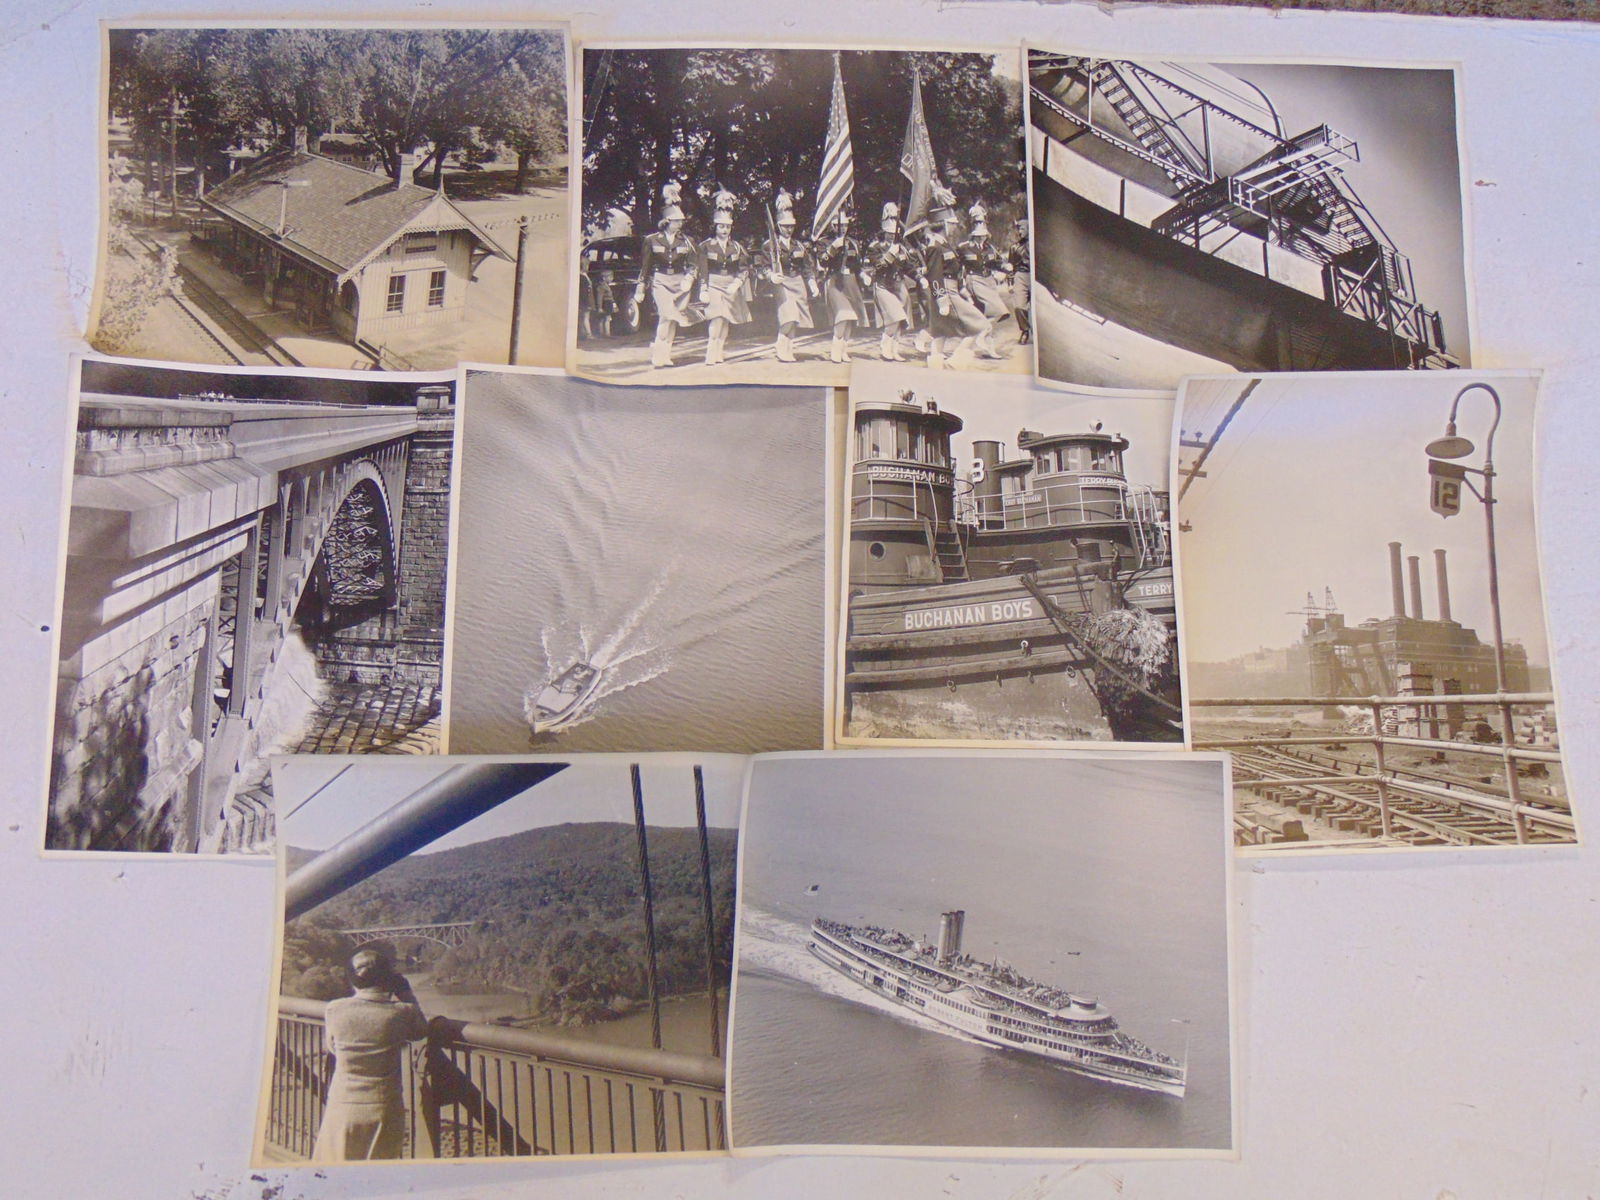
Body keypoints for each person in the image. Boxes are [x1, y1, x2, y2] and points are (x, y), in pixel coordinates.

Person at [312, 947, 429, 1163]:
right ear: (388, 979)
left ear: (352, 979)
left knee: (334, 1169)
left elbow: (333, 1047)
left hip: (342, 1104)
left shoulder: (334, 1009)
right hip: (383, 1107)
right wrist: (406, 994)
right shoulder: (402, 1012)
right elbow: (421, 1031)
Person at [633, 182, 700, 368]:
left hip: (680, 283)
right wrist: (640, 287)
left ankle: (666, 354)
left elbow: (693, 264)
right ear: (667, 221)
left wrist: (689, 278)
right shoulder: (651, 240)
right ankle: (658, 353)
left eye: (681, 221)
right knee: (665, 315)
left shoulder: (687, 240)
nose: (680, 224)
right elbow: (645, 266)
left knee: (672, 320)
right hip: (661, 282)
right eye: (676, 221)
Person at [758, 190, 816, 362]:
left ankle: (788, 348)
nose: (788, 229)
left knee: (796, 319)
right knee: (789, 316)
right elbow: (763, 267)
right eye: (785, 226)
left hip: (797, 282)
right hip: (782, 283)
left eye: (791, 226)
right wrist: (771, 276)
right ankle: (780, 345)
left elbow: (807, 267)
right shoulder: (770, 245)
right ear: (778, 226)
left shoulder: (799, 245)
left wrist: (812, 282)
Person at [696, 188, 752, 366]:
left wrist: (737, 282)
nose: (725, 230)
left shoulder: (736, 247)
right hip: (713, 283)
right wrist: (703, 289)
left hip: (730, 285)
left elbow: (743, 268)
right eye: (721, 226)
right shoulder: (706, 246)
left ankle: (719, 351)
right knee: (717, 317)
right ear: (715, 227)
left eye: (727, 227)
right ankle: (711, 351)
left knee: (726, 318)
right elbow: (702, 269)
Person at [813, 208, 867, 363]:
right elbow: (822, 261)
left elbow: (858, 264)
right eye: (839, 225)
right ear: (832, 225)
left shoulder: (853, 243)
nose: (842, 228)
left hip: (851, 281)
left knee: (851, 318)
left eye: (844, 225)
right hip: (835, 280)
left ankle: (844, 350)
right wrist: (832, 248)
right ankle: (835, 350)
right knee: (843, 316)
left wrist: (863, 274)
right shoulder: (824, 242)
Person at [867, 202, 914, 361]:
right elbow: (878, 266)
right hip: (883, 286)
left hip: (899, 286)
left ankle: (895, 350)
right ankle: (885, 346)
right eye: (888, 233)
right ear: (884, 232)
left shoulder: (901, 247)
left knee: (901, 321)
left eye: (893, 234)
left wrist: (920, 277)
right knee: (895, 317)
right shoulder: (875, 247)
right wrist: (890, 255)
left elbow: (908, 267)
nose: (891, 236)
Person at [1006, 214, 1032, 346]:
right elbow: (1010, 266)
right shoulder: (1014, 247)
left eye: (1022, 229)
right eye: (1018, 229)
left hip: (1034, 277)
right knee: (1018, 306)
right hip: (1021, 276)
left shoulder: (1035, 245)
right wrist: (1010, 283)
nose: (1019, 232)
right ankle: (1025, 330)